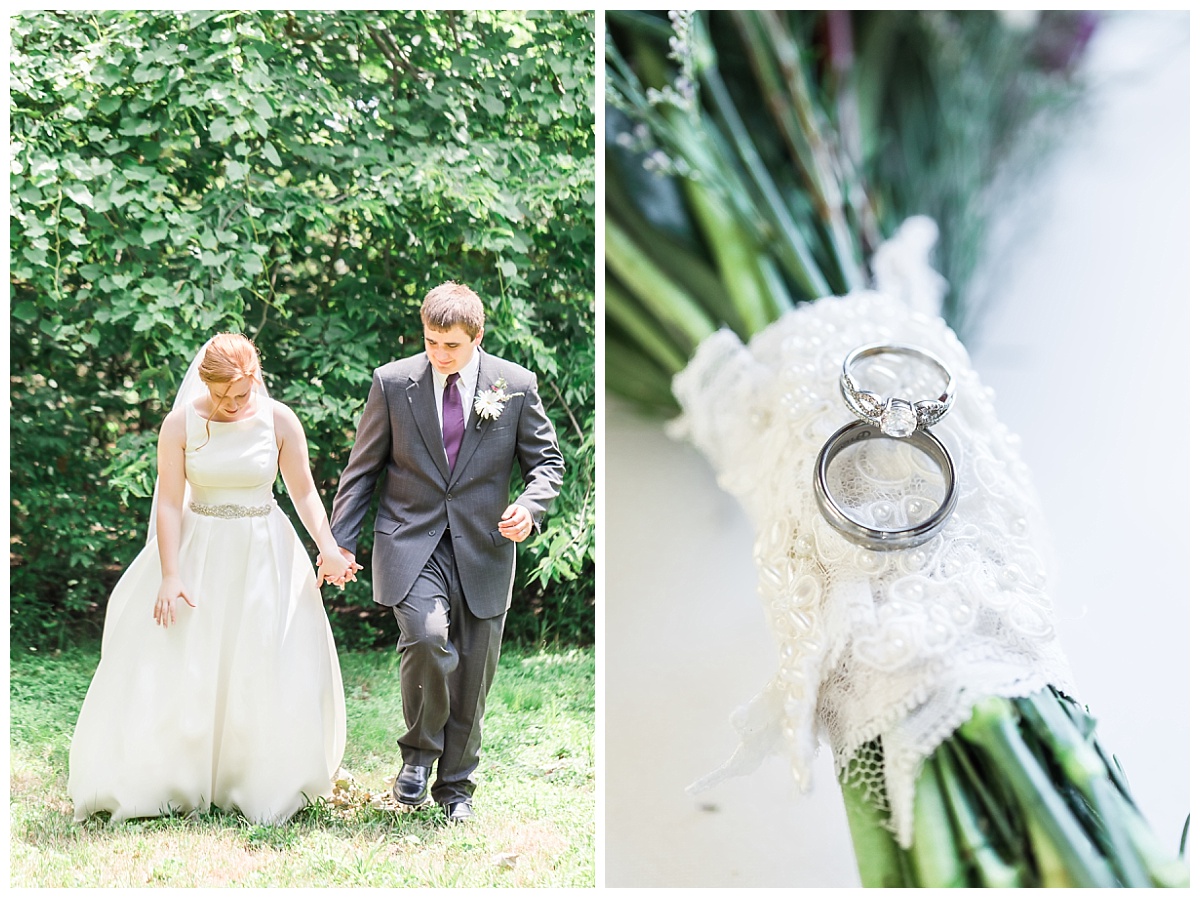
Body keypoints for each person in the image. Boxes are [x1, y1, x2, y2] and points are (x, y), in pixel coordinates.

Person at [68, 333, 352, 825]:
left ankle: (254, 778)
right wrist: (171, 572)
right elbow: (169, 502)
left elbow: (303, 491)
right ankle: (177, 777)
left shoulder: (279, 420)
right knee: (186, 660)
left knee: (261, 660)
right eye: (221, 395)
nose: (231, 404)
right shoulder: (179, 425)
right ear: (204, 382)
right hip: (199, 550)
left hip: (264, 551)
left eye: (240, 394)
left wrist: (327, 548)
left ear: (254, 379)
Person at [327, 281, 564, 823]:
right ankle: (416, 757)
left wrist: (530, 507)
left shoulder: (515, 385)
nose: (439, 354)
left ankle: (456, 788)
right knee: (429, 639)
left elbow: (547, 464)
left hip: (484, 545)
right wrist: (339, 543)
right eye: (431, 342)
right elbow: (362, 471)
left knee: (472, 674)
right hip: (411, 542)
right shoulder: (393, 383)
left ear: (476, 337)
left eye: (451, 345)